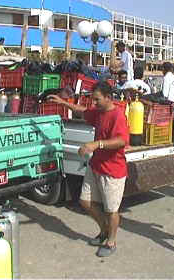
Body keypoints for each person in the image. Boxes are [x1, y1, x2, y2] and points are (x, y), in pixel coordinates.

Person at [49, 81, 129, 257]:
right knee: (85, 201)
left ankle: (111, 241)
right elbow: (83, 111)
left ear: (108, 98)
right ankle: (104, 231)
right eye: (93, 100)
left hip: (113, 171)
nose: (94, 103)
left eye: (97, 99)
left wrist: (96, 144)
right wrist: (63, 103)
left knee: (111, 210)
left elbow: (122, 140)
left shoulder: (117, 115)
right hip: (96, 166)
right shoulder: (98, 112)